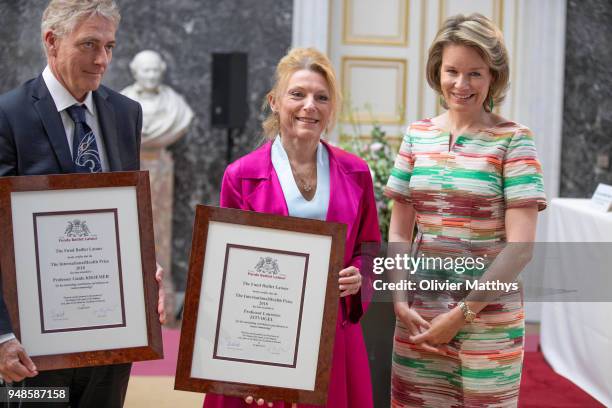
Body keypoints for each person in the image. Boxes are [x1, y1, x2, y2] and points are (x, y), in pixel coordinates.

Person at [0, 1, 165, 406]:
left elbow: (124, 212)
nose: (102, 59)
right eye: (89, 44)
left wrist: (145, 268)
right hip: (32, 349)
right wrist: (1, 334)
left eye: (109, 46)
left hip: (112, 338)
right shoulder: (9, 115)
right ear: (52, 42)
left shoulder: (126, 113)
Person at [203, 48, 381, 408]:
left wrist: (359, 276)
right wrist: (245, 360)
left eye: (321, 97)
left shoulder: (356, 172)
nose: (309, 106)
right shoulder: (240, 176)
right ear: (274, 101)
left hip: (333, 332)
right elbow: (228, 273)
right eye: (297, 94)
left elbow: (371, 247)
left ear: (331, 109)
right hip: (263, 332)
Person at [384, 14, 546, 407]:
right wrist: (400, 299)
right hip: (419, 315)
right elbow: (400, 230)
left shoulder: (514, 140)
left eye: (475, 73)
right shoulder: (417, 135)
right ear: (437, 72)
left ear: (493, 76)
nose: (461, 84)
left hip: (487, 323)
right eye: (452, 71)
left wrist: (460, 317)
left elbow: (521, 249)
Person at [121, 50, 194, 149]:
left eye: (155, 70)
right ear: (135, 72)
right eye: (146, 71)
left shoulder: (176, 104)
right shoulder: (121, 101)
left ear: (162, 71)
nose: (151, 76)